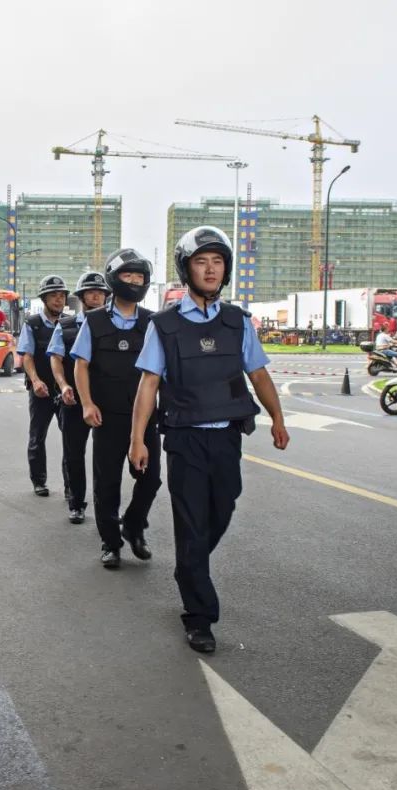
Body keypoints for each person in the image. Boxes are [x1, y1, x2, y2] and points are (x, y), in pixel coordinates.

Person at [129, 226, 289, 654]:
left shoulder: (238, 322)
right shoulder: (163, 326)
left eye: (218, 261)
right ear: (187, 269)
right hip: (184, 439)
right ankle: (199, 615)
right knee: (192, 524)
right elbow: (148, 384)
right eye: (202, 261)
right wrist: (137, 439)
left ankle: (189, 567)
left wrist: (277, 417)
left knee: (222, 509)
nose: (211, 269)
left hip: (226, 438)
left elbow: (258, 374)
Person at [72, 249, 161, 569]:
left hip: (145, 418)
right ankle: (111, 543)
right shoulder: (94, 322)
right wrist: (86, 403)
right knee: (107, 483)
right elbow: (81, 365)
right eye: (128, 276)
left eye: (140, 277)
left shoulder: (153, 322)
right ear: (114, 279)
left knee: (150, 480)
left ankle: (134, 526)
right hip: (106, 416)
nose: (135, 282)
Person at [48, 270, 110, 524]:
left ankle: (106, 506)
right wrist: (63, 385)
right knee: (74, 454)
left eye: (100, 292)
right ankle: (76, 503)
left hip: (107, 400)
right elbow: (55, 358)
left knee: (106, 457)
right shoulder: (66, 326)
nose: (96, 295)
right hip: (73, 400)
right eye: (90, 291)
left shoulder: (114, 325)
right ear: (82, 296)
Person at [17, 276, 69, 497]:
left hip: (65, 390)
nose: (58, 300)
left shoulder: (70, 324)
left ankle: (71, 486)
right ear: (44, 299)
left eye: (61, 296)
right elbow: (27, 356)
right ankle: (39, 481)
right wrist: (36, 381)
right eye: (53, 296)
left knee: (70, 438)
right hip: (41, 389)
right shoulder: (33, 324)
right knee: (37, 436)